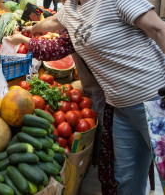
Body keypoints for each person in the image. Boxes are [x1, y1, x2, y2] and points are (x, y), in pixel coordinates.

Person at [23, 0, 165, 195]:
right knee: (126, 179)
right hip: (120, 107)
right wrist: (31, 30)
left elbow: (159, 29)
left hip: (156, 99)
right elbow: (52, 22)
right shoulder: (71, 8)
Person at [9, 31, 118, 194]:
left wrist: (23, 39)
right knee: (113, 152)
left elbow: (52, 49)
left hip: (112, 93)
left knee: (112, 151)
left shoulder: (80, 26)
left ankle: (107, 176)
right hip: (111, 91)